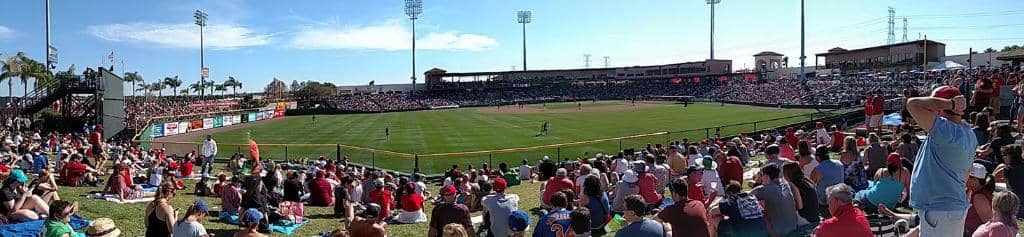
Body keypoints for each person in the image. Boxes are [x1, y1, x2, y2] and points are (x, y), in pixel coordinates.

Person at [906, 85, 976, 236]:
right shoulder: (968, 133)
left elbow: (912, 104)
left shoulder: (944, 131)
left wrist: (950, 104)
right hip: (950, 207)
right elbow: (966, 174)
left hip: (941, 209)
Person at [751, 164, 798, 236]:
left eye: (761, 175)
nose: (761, 177)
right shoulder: (785, 184)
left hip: (780, 232)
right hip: (793, 227)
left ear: (766, 176)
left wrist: (756, 183)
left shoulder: (764, 190)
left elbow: (747, 197)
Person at [781, 162, 819, 226]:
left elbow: (799, 207)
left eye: (783, 173)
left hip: (805, 218)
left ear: (787, 173)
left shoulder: (794, 186)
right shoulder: (806, 181)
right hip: (815, 216)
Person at [810, 145, 844, 217]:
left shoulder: (817, 169)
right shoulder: (840, 163)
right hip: (840, 195)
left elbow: (812, 182)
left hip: (825, 200)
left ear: (818, 157)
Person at [993, 144, 1024, 218]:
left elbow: (991, 181)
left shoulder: (1006, 170)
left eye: (1004, 154)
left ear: (1009, 156)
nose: (1002, 157)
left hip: (1015, 207)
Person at [966, 163, 996, 236]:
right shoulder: (970, 190)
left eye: (967, 176)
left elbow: (989, 224)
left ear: (975, 180)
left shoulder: (979, 198)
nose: (964, 178)